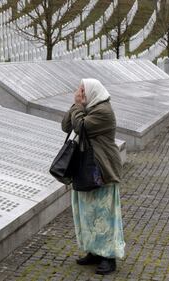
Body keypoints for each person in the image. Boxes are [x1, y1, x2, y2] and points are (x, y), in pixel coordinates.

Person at [61, 78, 125, 275]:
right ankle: (94, 251)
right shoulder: (88, 107)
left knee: (104, 214)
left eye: (83, 90)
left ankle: (109, 257)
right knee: (87, 212)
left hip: (102, 169)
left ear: (92, 91)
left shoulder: (103, 111)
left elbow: (80, 127)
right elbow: (66, 126)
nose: (80, 93)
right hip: (86, 168)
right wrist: (76, 104)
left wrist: (79, 106)